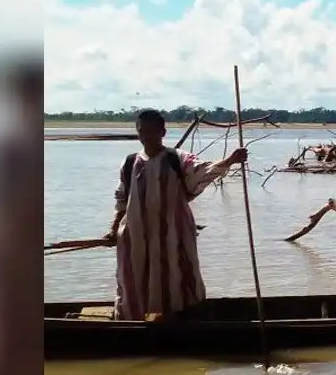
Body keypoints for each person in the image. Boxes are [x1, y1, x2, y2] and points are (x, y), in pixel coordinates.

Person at [104, 109, 248, 321]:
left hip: (174, 234)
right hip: (136, 236)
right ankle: (133, 320)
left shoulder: (176, 159)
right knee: (134, 278)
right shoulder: (130, 163)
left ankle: (181, 319)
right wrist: (113, 229)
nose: (147, 136)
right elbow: (121, 200)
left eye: (153, 130)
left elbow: (202, 171)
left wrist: (230, 160)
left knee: (178, 276)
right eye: (143, 131)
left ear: (162, 132)